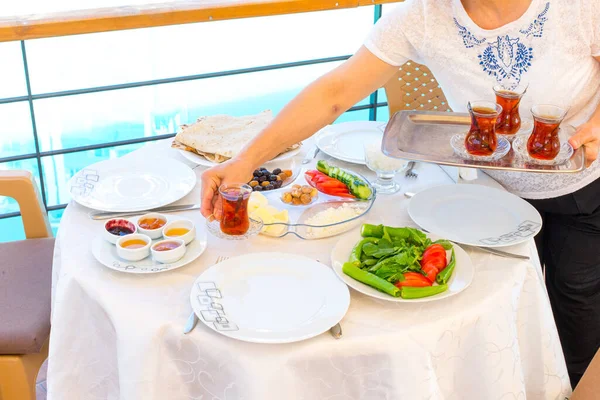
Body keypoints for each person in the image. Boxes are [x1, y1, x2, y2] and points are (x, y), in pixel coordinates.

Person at [200, 0, 600, 388]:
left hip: (584, 190)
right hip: (490, 196)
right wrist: (244, 161)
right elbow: (335, 91)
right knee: (511, 314)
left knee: (576, 320)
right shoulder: (421, 16)